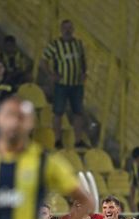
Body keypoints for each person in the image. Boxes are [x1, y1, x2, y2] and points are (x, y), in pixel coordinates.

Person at [42, 19, 88, 149]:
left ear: (73, 30)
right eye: (65, 28)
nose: (68, 31)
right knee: (58, 112)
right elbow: (44, 60)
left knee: (78, 112)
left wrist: (84, 72)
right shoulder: (55, 45)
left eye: (70, 28)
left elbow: (83, 59)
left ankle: (78, 141)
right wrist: (51, 74)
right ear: (61, 30)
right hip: (61, 84)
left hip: (77, 84)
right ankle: (57, 140)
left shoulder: (78, 44)